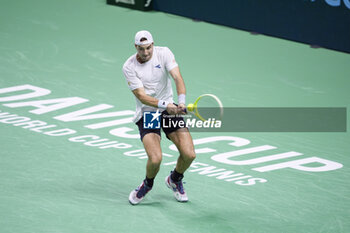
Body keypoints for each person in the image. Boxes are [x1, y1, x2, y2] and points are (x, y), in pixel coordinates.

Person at [122, 30, 196, 205]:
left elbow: (177, 77)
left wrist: (182, 102)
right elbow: (142, 96)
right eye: (141, 49)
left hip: (169, 109)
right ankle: (147, 184)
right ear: (136, 47)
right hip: (149, 112)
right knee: (155, 158)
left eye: (148, 48)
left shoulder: (164, 53)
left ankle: (175, 179)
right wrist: (166, 106)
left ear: (153, 45)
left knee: (189, 154)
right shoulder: (129, 66)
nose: (146, 52)